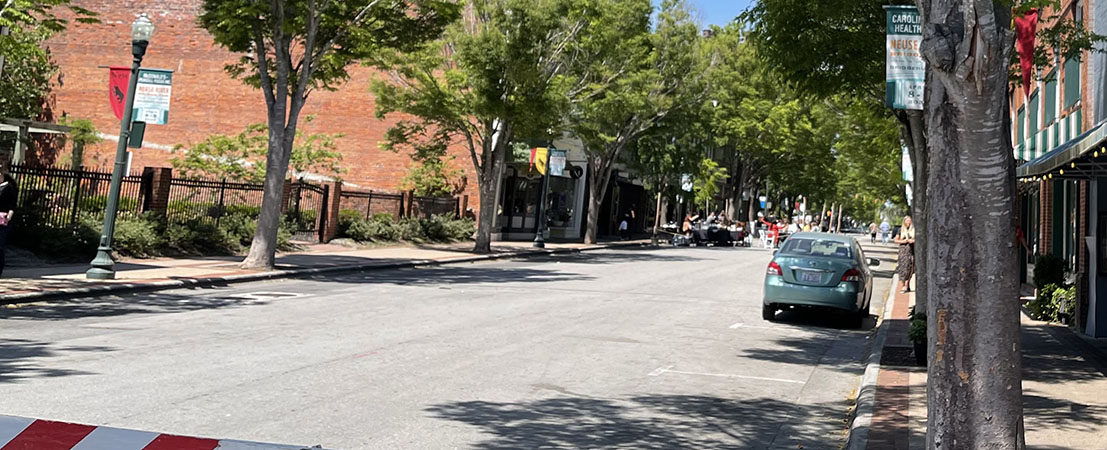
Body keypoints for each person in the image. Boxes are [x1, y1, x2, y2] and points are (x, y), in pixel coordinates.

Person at [0, 167, 16, 278]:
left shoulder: (9, 187)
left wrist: (8, 217)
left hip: (2, 220)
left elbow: (12, 205)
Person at [894, 216, 916, 293]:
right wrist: (903, 241)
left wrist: (913, 241)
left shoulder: (914, 230)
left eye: (910, 220)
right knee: (903, 268)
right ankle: (904, 285)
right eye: (907, 221)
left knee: (911, 268)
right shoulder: (900, 230)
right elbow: (896, 240)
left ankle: (907, 284)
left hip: (912, 251)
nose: (908, 222)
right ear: (904, 222)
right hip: (903, 251)